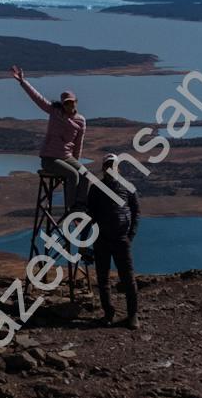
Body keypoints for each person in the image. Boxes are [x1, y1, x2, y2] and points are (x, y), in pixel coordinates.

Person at [10, 65, 87, 205]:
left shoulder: (81, 121)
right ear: (62, 104)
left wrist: (77, 162)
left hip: (67, 158)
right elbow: (37, 98)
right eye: (66, 103)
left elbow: (78, 144)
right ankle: (72, 208)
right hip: (50, 159)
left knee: (85, 174)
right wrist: (22, 81)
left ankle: (81, 204)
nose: (69, 105)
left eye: (71, 102)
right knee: (73, 174)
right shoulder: (54, 112)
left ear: (76, 102)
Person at [86, 155, 140, 329]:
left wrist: (130, 234)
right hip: (101, 240)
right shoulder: (95, 189)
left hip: (121, 240)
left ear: (118, 168)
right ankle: (108, 313)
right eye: (107, 165)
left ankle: (133, 316)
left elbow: (136, 210)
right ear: (103, 168)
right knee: (103, 279)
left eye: (113, 165)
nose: (110, 168)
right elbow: (90, 215)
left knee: (128, 279)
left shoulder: (127, 187)